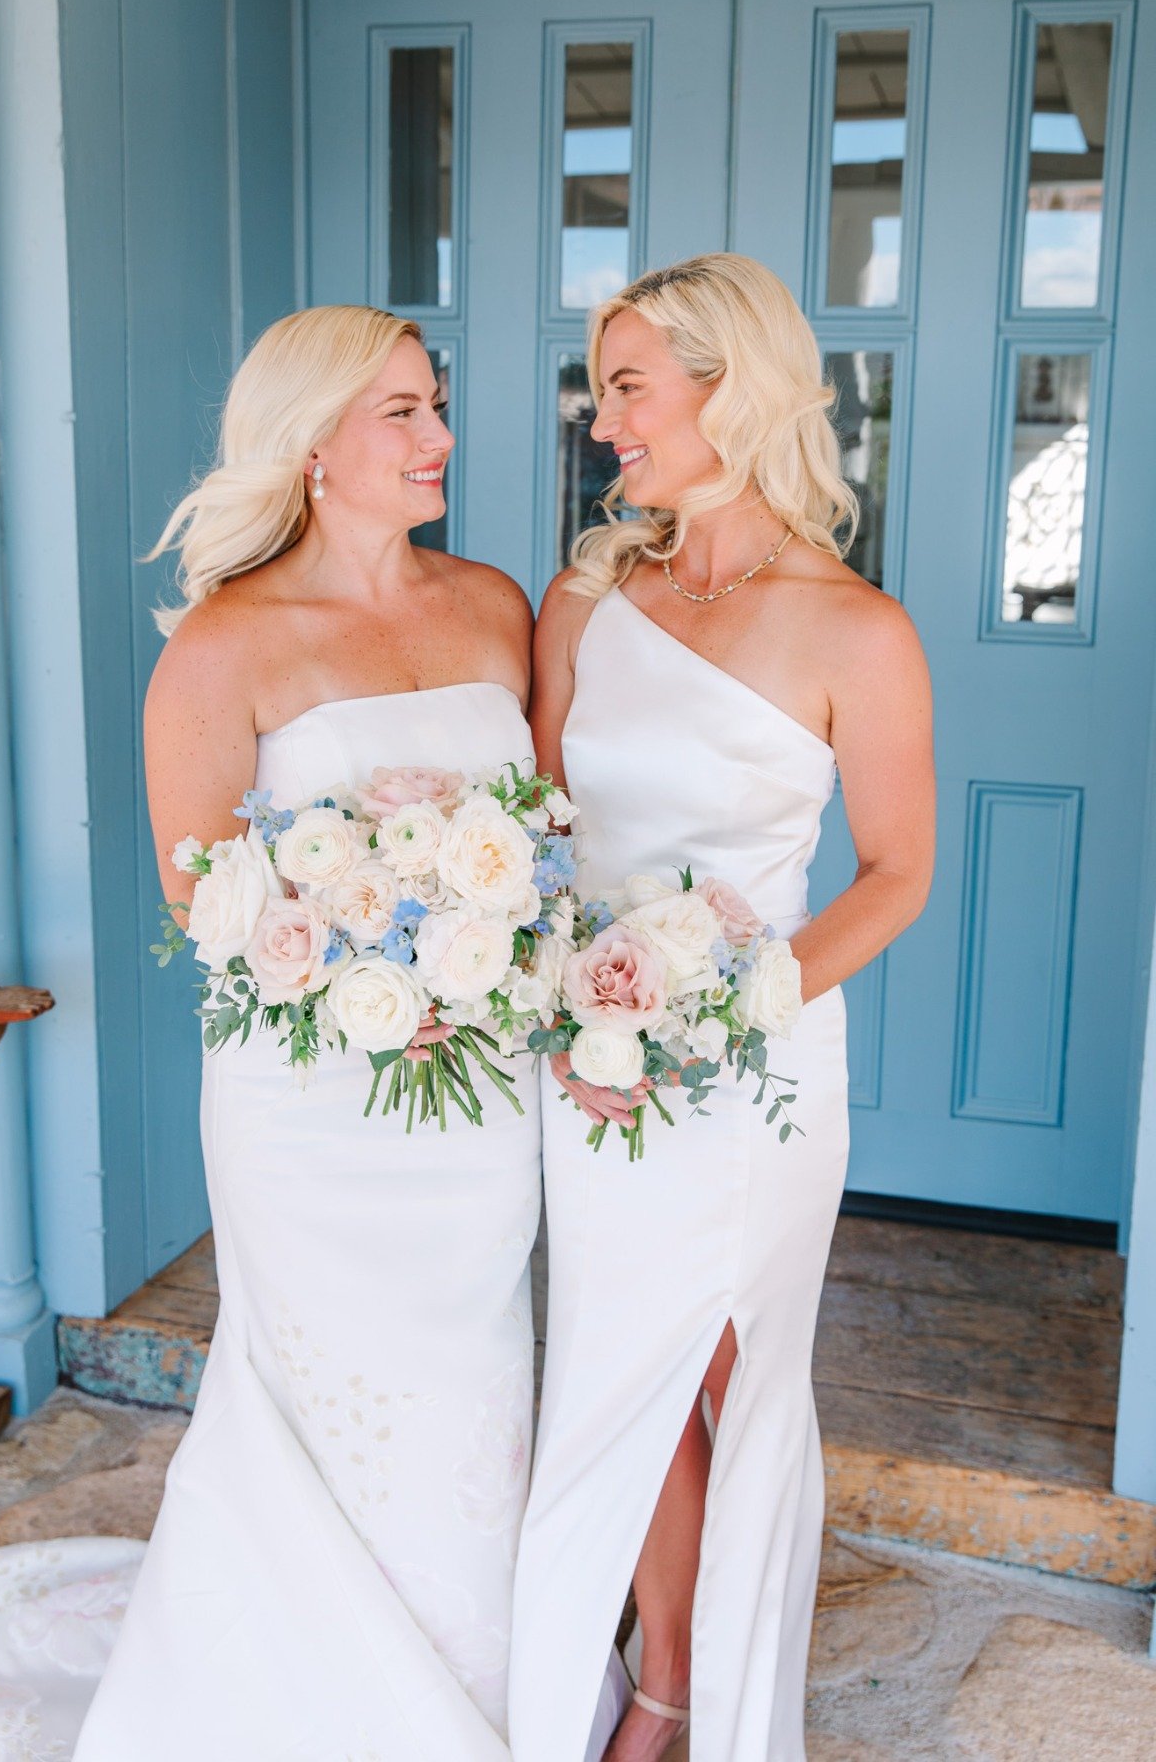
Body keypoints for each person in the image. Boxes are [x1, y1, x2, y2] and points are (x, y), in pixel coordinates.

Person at [75, 305, 542, 1760]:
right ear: (313, 445)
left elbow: (542, 842)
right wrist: (358, 953)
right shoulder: (226, 646)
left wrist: (473, 957)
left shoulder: (496, 606)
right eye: (400, 411)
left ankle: (473, 1683)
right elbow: (202, 900)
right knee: (325, 1387)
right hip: (310, 1109)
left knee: (473, 1387)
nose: (439, 437)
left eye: (435, 404)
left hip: (482, 1093)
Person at [509, 254, 935, 1762]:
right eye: (605, 383)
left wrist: (734, 1003)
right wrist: (572, 999)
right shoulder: (586, 600)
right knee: (622, 1367)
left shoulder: (857, 632)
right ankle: (666, 1678)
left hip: (757, 1071)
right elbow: (545, 829)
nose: (603, 415)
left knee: (733, 1373)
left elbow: (895, 873)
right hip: (599, 1057)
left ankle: (728, 1698)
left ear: (726, 389)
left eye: (628, 384)